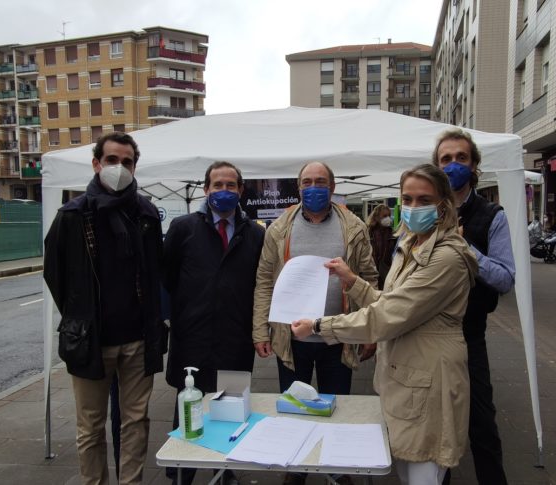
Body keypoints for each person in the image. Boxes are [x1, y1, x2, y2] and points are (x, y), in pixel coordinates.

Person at [291, 164, 478, 485]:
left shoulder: (445, 257)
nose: (413, 207)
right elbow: (390, 301)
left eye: (424, 200)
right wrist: (353, 283)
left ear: (444, 204)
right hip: (408, 379)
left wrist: (320, 327)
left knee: (424, 474)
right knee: (407, 470)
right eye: (407, 199)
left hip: (430, 382)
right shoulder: (412, 244)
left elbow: (388, 316)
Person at [44, 132, 167, 485]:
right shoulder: (73, 215)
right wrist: (79, 315)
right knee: (91, 427)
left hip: (137, 340)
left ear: (134, 166)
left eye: (127, 162)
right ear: (97, 164)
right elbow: (55, 273)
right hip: (90, 341)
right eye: (112, 160)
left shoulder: (145, 214)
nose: (119, 168)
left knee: (136, 422)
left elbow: (154, 268)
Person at [253, 161, 378, 485]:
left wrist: (370, 332)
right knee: (294, 409)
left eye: (320, 181)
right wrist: (259, 330)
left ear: (332, 187)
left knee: (337, 407)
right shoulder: (280, 228)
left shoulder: (354, 227)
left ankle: (337, 467)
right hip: (292, 341)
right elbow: (265, 281)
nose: (313, 188)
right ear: (299, 188)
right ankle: (296, 468)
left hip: (338, 338)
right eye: (307, 182)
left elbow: (369, 277)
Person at [163, 161, 265, 485]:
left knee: (230, 410)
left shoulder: (255, 234)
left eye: (230, 185)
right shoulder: (182, 228)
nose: (224, 191)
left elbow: (261, 284)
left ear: (241, 191)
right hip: (191, 338)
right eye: (217, 185)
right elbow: (166, 278)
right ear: (206, 190)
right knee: (188, 408)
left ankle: (224, 470)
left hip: (235, 339)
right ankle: (183, 471)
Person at [433, 128, 515, 485]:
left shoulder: (492, 215)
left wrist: (466, 250)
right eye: (446, 159)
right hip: (429, 334)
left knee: (481, 422)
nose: (453, 165)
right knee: (436, 424)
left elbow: (505, 278)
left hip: (469, 334)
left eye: (461, 158)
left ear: (474, 165)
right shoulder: (423, 209)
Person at [367, 203, 397, 289]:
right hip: (371, 272)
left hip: (387, 271)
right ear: (376, 217)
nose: (388, 218)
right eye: (384, 216)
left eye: (389, 215)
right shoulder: (369, 232)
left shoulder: (392, 234)